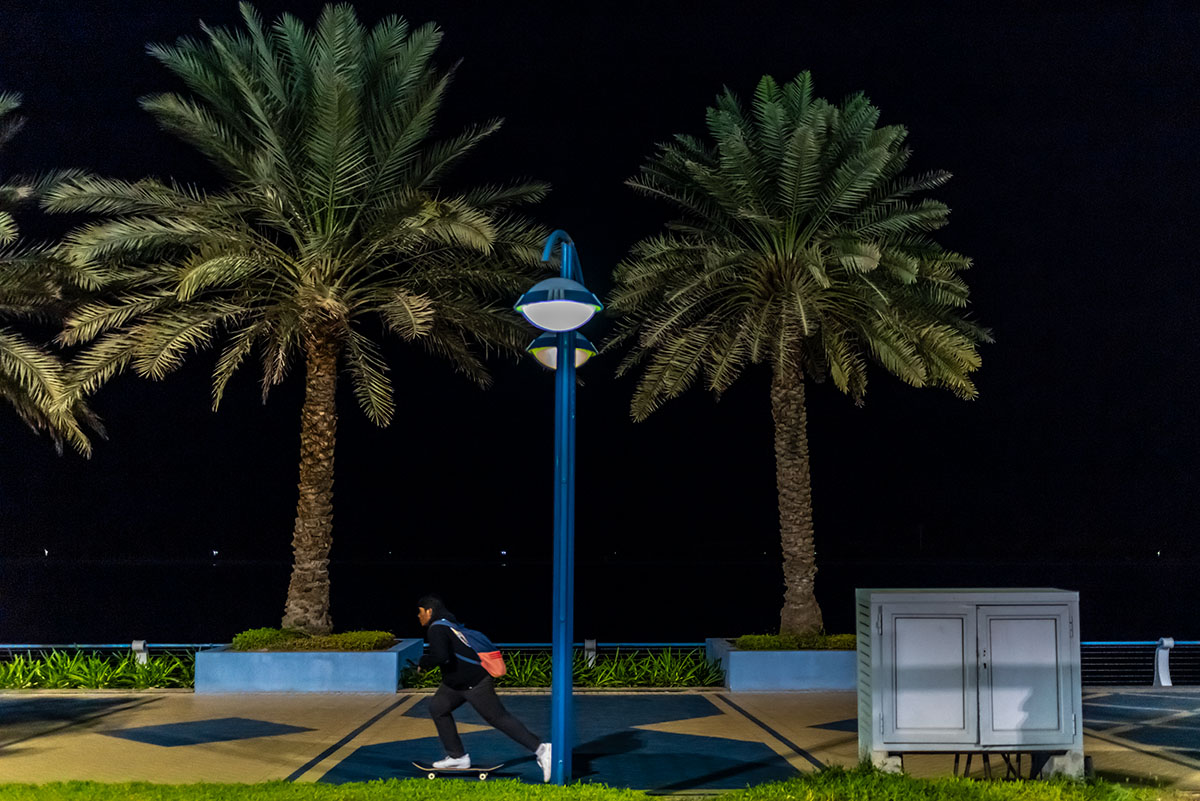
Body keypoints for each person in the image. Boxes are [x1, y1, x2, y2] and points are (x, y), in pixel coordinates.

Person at [416, 594, 552, 782]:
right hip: (456, 683)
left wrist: (423, 662)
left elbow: (441, 657)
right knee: (438, 707)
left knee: (498, 718)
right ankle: (457, 757)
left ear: (429, 611)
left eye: (420, 612)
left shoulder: (436, 628)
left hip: (474, 681)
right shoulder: (449, 625)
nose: (418, 616)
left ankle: (542, 750)